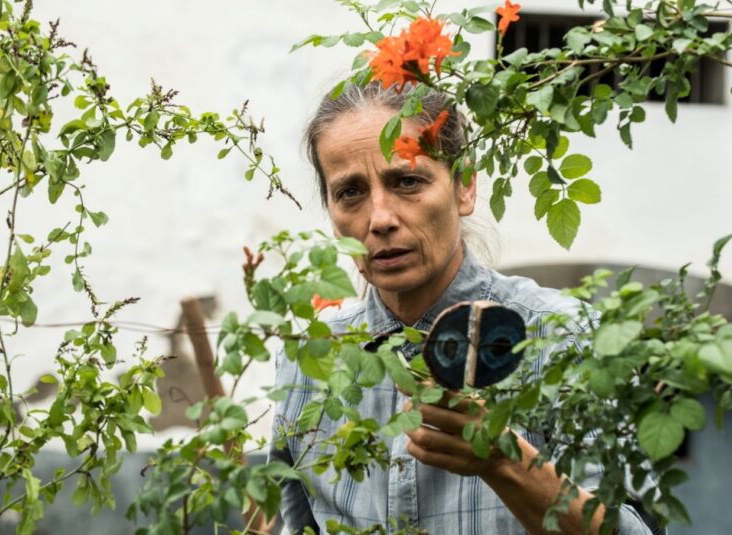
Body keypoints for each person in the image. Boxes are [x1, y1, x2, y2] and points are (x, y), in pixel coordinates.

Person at [270, 81, 652, 534]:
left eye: (407, 181)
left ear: (465, 186)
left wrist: (504, 462)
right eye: (350, 193)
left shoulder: (563, 337)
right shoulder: (310, 362)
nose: (380, 219)